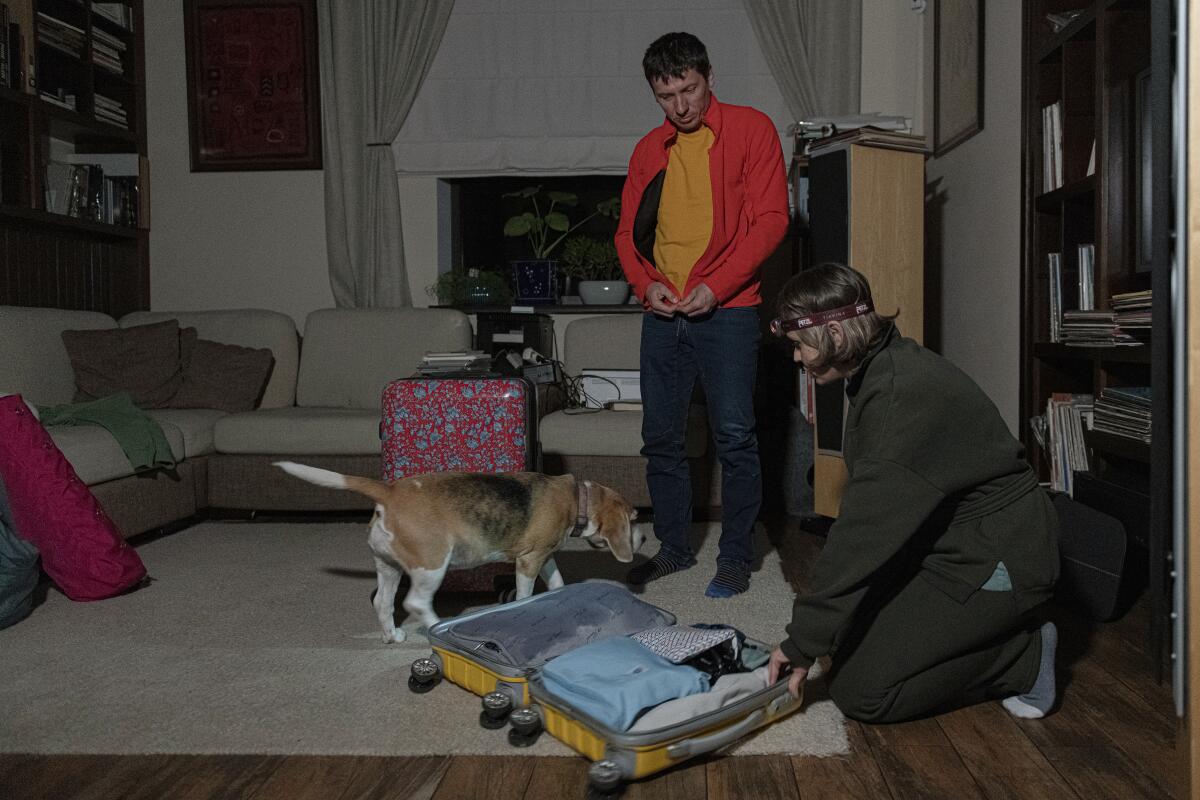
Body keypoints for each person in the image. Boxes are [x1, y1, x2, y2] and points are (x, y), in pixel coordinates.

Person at [765, 263, 1061, 723]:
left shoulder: (899, 399)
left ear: (837, 336)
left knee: (861, 691)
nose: (798, 358)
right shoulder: (881, 367)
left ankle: (1022, 656)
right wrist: (821, 632)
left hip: (998, 556)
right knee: (842, 637)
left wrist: (800, 642)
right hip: (945, 542)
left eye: (801, 345)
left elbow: (863, 538)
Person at [615, 32, 788, 598]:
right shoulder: (648, 150)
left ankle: (736, 558)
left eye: (688, 89)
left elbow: (771, 219)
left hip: (730, 311)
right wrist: (647, 287)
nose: (680, 106)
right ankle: (674, 549)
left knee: (735, 438)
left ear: (708, 77)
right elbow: (625, 234)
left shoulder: (752, 128)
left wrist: (716, 286)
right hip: (663, 314)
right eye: (666, 96)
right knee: (660, 439)